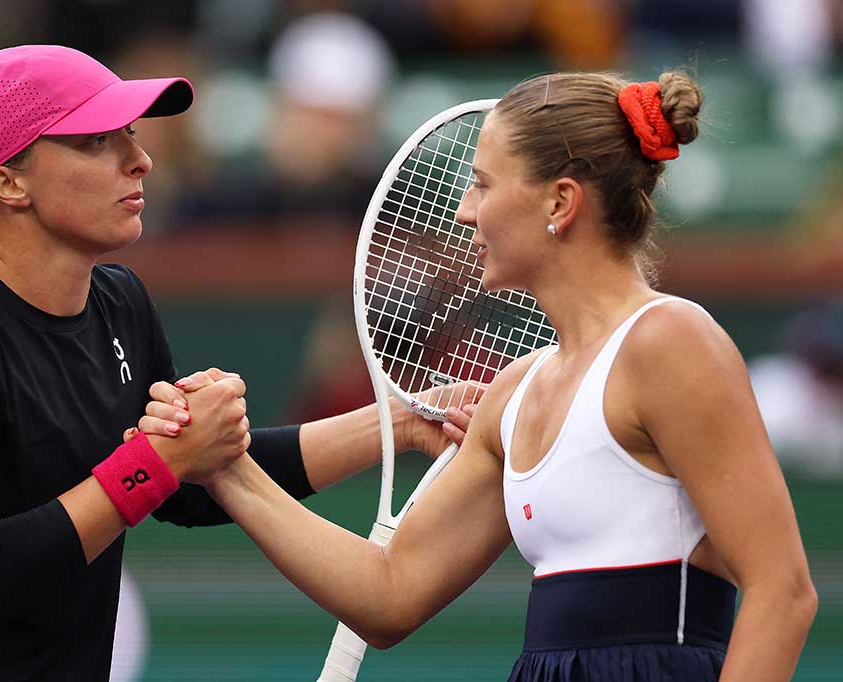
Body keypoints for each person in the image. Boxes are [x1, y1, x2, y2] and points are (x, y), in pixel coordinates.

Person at [0, 45, 475, 682]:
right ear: (10, 183)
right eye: (95, 142)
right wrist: (157, 462)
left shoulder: (120, 300)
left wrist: (399, 423)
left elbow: (187, 486)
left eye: (131, 136)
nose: (140, 159)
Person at [181, 72, 818, 680]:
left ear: (561, 202)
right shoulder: (514, 393)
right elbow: (388, 593)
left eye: (483, 185)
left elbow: (783, 591)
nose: (463, 211)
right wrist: (226, 468)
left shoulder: (670, 343)